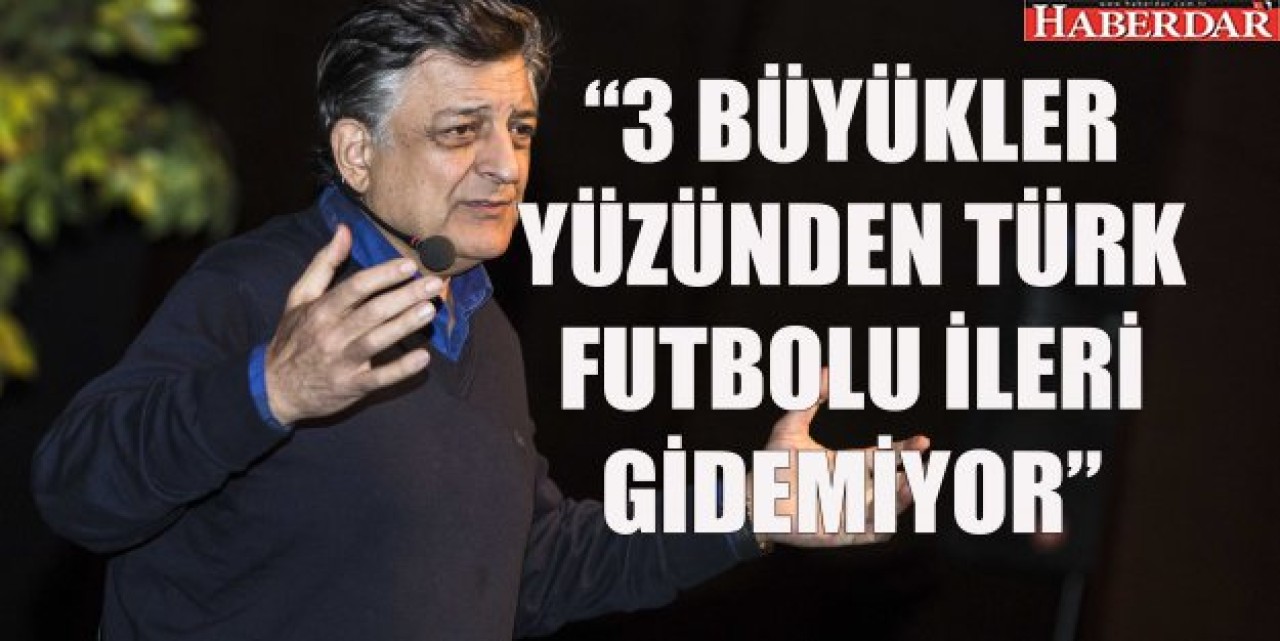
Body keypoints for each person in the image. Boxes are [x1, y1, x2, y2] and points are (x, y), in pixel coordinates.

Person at [31, 1, 928, 639]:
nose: (506, 165)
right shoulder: (260, 287)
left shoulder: (482, 328)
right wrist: (270, 387)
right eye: (463, 131)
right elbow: (77, 486)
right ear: (357, 152)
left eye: (521, 129)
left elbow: (533, 568)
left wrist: (748, 508)